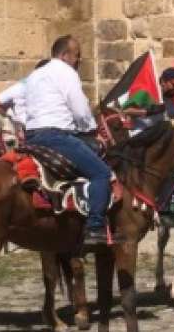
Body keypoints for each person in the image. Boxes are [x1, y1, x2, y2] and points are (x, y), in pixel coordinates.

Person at [24, 36, 112, 248]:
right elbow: (80, 110)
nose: (78, 61)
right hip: (56, 136)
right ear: (64, 55)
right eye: (77, 56)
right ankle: (95, 227)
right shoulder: (66, 72)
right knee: (101, 173)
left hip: (32, 136)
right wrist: (92, 131)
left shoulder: (35, 75)